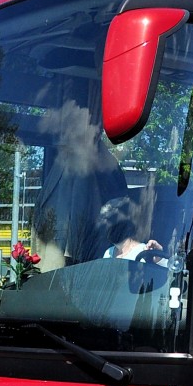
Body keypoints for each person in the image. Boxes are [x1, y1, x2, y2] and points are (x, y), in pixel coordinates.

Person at [32, 99, 128, 269]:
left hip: (69, 260)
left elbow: (78, 217)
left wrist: (71, 252)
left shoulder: (82, 161)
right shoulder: (60, 162)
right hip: (54, 256)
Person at [99, 196, 165, 264]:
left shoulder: (144, 252)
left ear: (127, 222)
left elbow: (171, 270)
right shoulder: (108, 253)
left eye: (111, 219)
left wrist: (159, 260)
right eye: (103, 219)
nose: (106, 224)